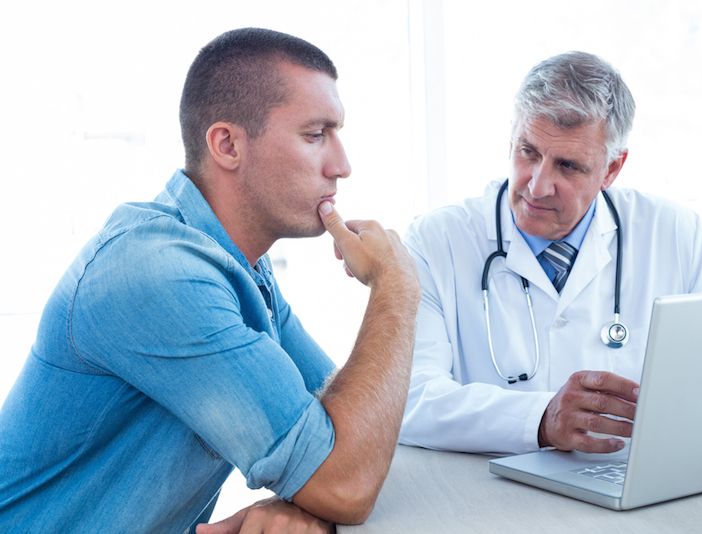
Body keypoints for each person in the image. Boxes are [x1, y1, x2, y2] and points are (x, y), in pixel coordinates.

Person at [0, 28, 419, 532]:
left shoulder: (242, 269)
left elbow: (349, 443)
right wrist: (396, 287)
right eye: (315, 135)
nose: (342, 165)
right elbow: (344, 481)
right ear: (227, 144)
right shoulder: (157, 274)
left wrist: (294, 502)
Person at [398, 51, 702, 456]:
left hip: (629, 488)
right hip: (489, 497)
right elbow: (408, 400)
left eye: (568, 166)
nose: (538, 186)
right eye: (528, 152)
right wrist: (541, 417)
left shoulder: (677, 236)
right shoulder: (436, 242)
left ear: (611, 169)